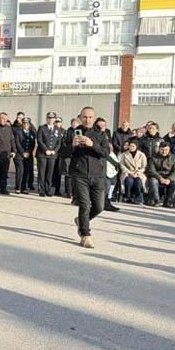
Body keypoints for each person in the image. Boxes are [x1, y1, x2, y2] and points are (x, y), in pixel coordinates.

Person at [59, 107, 110, 249]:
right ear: (80, 117)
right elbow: (62, 153)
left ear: (94, 118)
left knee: (99, 206)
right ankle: (85, 234)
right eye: (85, 117)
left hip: (97, 175)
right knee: (85, 205)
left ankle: (81, 221)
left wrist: (92, 144)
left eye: (90, 117)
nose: (87, 119)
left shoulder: (101, 134)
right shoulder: (71, 133)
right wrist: (72, 146)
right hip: (79, 174)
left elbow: (105, 153)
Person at [146, 142, 175, 208]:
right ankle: (156, 200)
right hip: (157, 177)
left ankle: (168, 201)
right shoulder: (153, 157)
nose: (164, 151)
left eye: (166, 150)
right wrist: (160, 178)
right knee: (153, 181)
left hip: (169, 177)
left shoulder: (174, 158)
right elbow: (151, 170)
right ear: (159, 149)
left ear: (169, 149)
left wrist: (169, 179)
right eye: (162, 149)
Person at [36, 112, 62, 197]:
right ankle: (42, 190)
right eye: (49, 118)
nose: (51, 120)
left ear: (54, 119)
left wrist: (55, 150)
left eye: (52, 118)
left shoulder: (57, 129)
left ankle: (48, 189)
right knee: (42, 172)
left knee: (50, 173)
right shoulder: (42, 128)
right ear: (47, 119)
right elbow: (39, 140)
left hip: (52, 154)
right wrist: (45, 149)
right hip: (43, 154)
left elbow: (59, 142)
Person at [0, 112, 15, 195]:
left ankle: (3, 188)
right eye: (2, 118)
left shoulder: (9, 128)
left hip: (6, 154)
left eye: (5, 119)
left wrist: (13, 150)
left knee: (4, 173)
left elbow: (12, 140)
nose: (4, 120)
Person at [120, 138, 147, 205]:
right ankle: (128, 197)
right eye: (130, 146)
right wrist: (130, 172)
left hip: (138, 173)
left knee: (138, 181)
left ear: (136, 147)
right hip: (127, 172)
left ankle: (139, 198)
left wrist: (138, 172)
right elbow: (122, 165)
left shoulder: (141, 154)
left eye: (133, 146)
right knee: (128, 180)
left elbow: (144, 166)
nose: (131, 147)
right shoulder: (124, 154)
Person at [14, 119, 36, 194]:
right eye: (24, 124)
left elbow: (32, 144)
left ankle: (23, 188)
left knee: (26, 172)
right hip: (19, 155)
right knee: (20, 171)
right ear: (22, 124)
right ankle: (18, 187)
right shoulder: (18, 132)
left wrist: (29, 152)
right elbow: (17, 143)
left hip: (28, 155)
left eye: (27, 124)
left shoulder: (32, 133)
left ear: (29, 125)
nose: (25, 125)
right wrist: (23, 152)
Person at [61, 118, 81, 199]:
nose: (74, 125)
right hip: (68, 154)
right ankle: (68, 192)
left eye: (76, 123)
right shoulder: (67, 131)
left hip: (77, 154)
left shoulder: (79, 131)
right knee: (68, 174)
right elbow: (64, 142)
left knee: (75, 175)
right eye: (73, 123)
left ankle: (74, 192)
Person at [104, 145, 121, 212]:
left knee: (112, 184)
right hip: (104, 173)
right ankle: (105, 203)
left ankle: (108, 201)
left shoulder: (113, 155)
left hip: (112, 174)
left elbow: (116, 164)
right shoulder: (104, 154)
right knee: (107, 185)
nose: (111, 149)